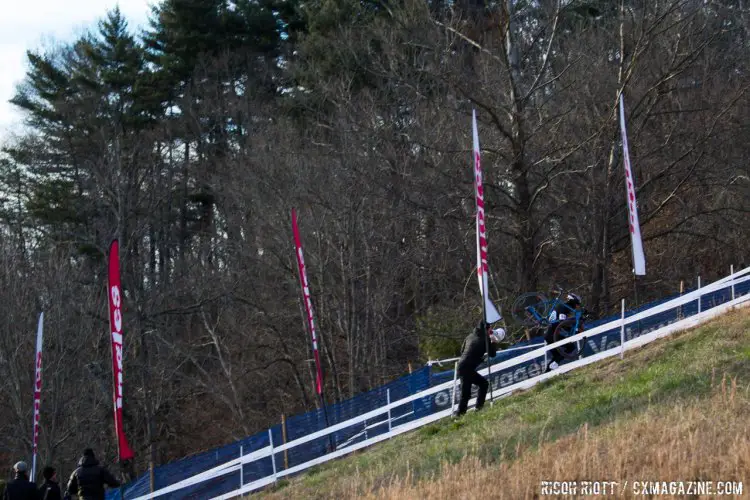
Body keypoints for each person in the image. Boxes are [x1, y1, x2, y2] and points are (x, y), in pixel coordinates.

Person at [455, 319, 505, 416]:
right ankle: (463, 414)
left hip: (463, 366)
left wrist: (476, 357)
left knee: (476, 388)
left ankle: (466, 413)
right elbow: (492, 354)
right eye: (490, 328)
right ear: (487, 328)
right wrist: (493, 341)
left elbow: (462, 350)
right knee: (473, 389)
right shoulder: (485, 339)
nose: (491, 330)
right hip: (467, 368)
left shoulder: (470, 336)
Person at [544, 293, 582, 372]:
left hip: (549, 335)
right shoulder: (564, 308)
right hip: (552, 335)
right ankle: (552, 366)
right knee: (571, 347)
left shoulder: (562, 306)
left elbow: (561, 324)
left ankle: (546, 373)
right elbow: (562, 324)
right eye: (577, 304)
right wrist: (575, 331)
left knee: (557, 356)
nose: (576, 306)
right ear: (573, 302)